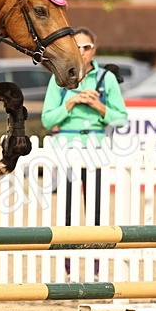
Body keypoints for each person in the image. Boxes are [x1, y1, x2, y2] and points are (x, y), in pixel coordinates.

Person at [41, 28, 129, 229]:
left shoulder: (107, 78)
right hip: (66, 148)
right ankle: (67, 258)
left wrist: (98, 106)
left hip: (95, 150)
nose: (81, 51)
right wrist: (71, 102)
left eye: (86, 47)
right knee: (67, 207)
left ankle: (95, 257)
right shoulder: (58, 78)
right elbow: (47, 120)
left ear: (94, 50)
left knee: (96, 207)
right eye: (77, 46)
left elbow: (122, 119)